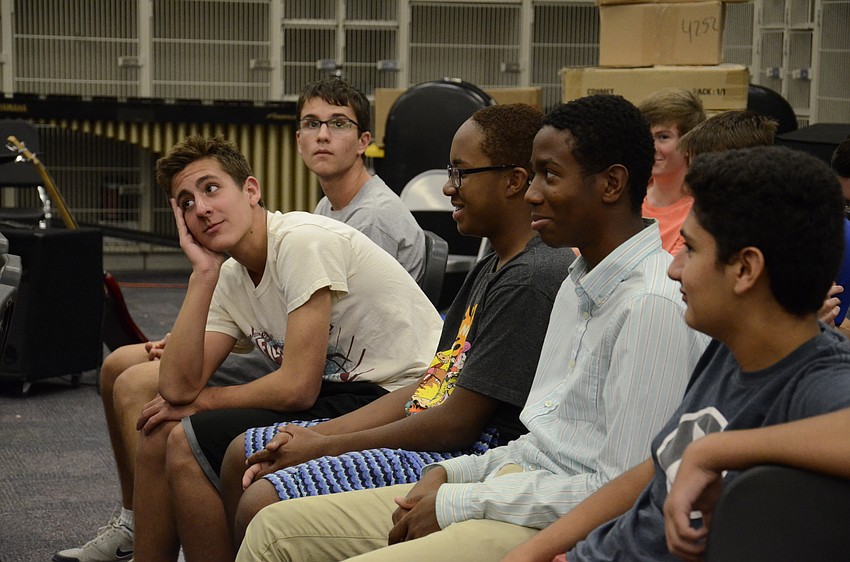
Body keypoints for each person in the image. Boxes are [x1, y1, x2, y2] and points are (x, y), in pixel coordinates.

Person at [235, 94, 708, 562]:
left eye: (550, 176)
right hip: (512, 483)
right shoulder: (574, 283)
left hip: (556, 518)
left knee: (276, 510)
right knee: (271, 531)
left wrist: (459, 498)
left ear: (611, 185)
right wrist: (454, 475)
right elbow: (538, 441)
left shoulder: (647, 305)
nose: (533, 193)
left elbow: (618, 490)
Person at [164, 103, 575, 562]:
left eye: (459, 174)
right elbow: (432, 386)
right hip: (427, 420)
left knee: (263, 494)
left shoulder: (530, 277)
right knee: (245, 454)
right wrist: (318, 437)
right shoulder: (493, 268)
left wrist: (327, 442)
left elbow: (458, 421)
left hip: (476, 451)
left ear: (513, 181)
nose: (446, 187)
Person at [53, 136, 443, 562]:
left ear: (251, 190)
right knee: (158, 431)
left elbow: (297, 389)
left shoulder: (299, 242)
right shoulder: (229, 273)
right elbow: (177, 386)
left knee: (184, 440)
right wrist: (202, 274)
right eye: (185, 202)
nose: (200, 208)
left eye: (211, 188)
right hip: (342, 391)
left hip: (405, 394)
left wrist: (204, 404)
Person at [500, 145, 850, 562]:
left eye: (691, 249)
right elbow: (655, 467)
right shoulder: (728, 349)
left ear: (745, 270)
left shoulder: (817, 379)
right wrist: (535, 551)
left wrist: (712, 451)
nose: (673, 267)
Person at [300, 77, 425, 282]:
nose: (322, 135)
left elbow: (355, 311)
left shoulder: (372, 218)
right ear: (299, 141)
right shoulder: (327, 205)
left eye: (338, 123)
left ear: (363, 142)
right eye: (312, 124)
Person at [638, 88, 706, 255]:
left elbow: (671, 275)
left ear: (689, 145)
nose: (651, 146)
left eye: (663, 137)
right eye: (647, 135)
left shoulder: (699, 213)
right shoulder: (627, 196)